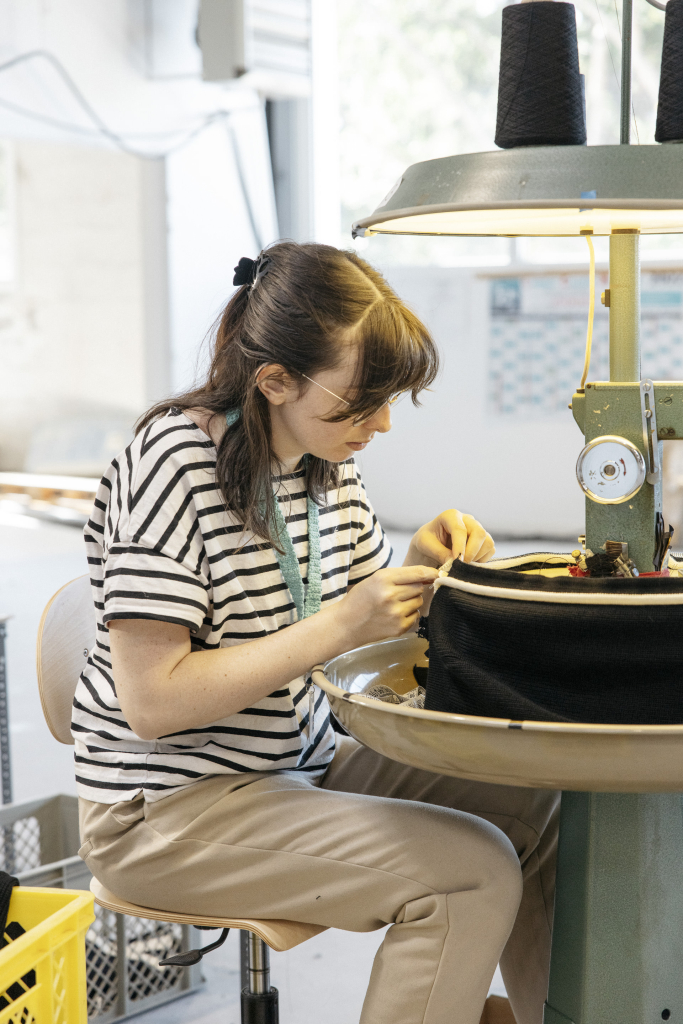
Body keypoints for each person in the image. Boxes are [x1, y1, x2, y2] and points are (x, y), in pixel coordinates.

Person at [74, 242, 558, 1024]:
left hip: (294, 762)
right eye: (361, 402)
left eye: (391, 399)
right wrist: (340, 621)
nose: (383, 424)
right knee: (470, 873)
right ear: (274, 381)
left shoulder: (323, 460)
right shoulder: (172, 462)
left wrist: (420, 569)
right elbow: (152, 704)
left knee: (534, 801)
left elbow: (365, 631)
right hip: (165, 810)